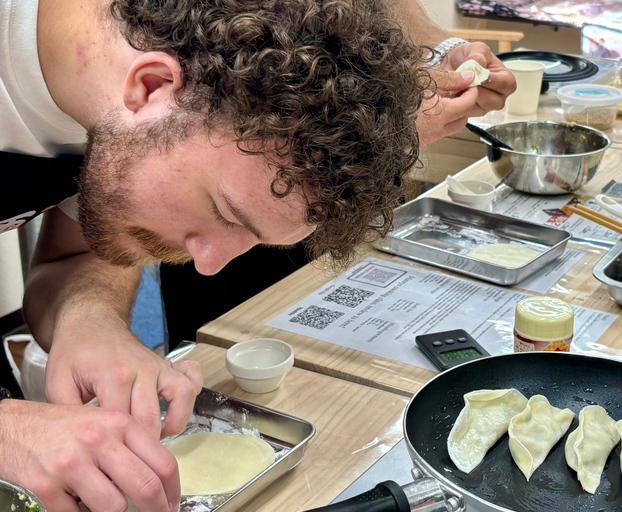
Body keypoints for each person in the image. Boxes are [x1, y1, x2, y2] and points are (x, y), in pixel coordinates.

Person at [0, 1, 515, 511]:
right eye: (225, 213)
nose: (209, 265)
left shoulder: (116, 110)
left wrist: (89, 320)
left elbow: (72, 256)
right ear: (153, 84)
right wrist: (10, 432)